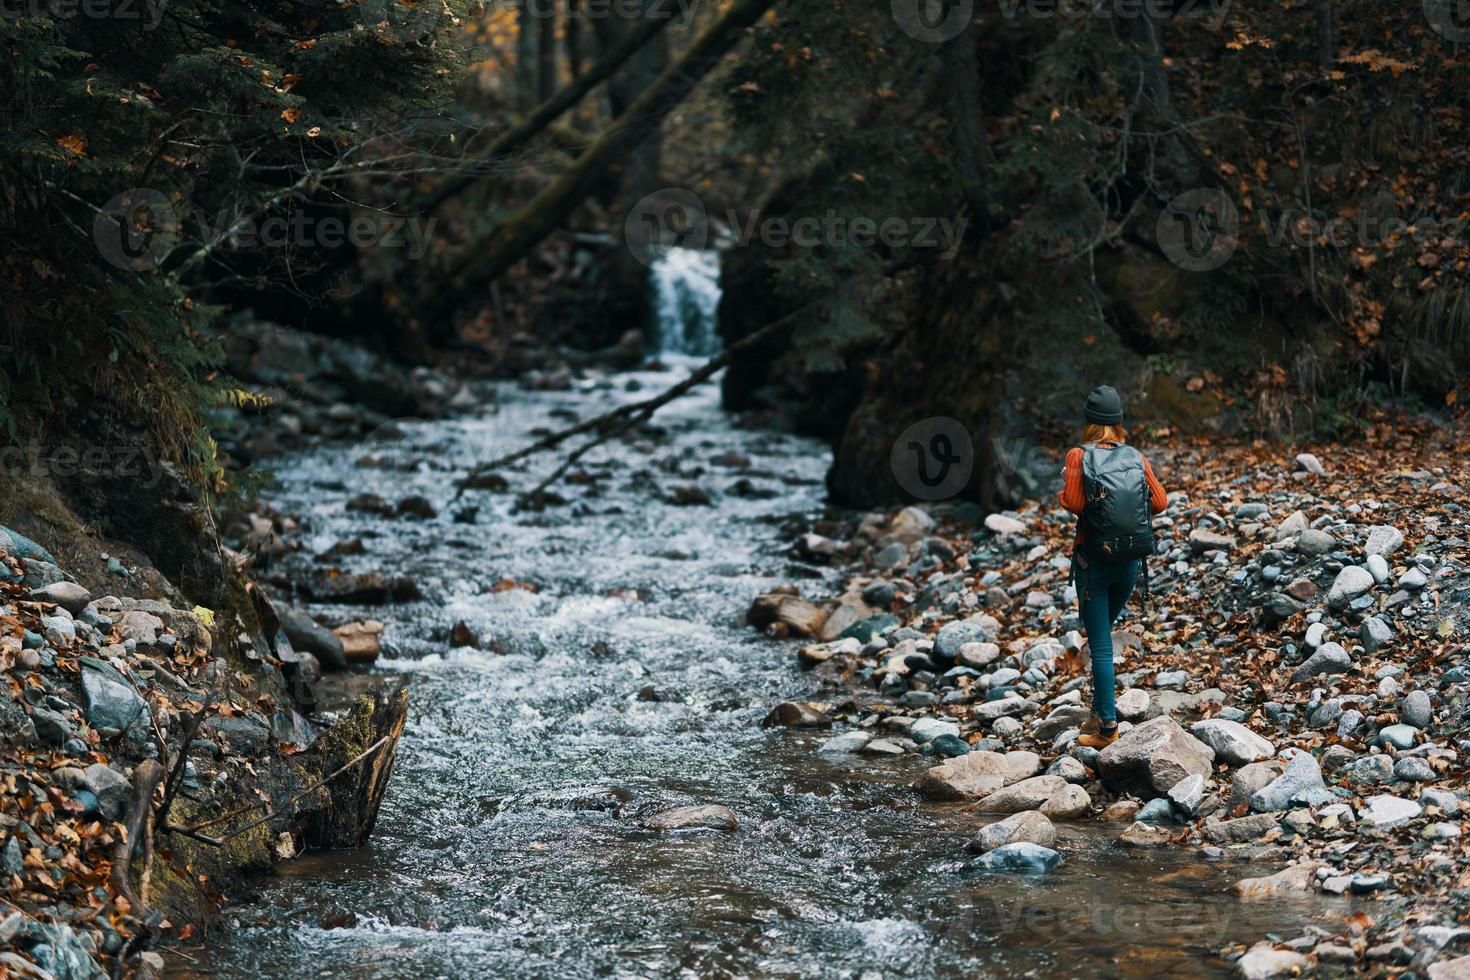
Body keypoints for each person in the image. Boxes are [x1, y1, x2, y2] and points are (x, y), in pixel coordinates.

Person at [1058, 385, 1168, 749]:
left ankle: (1107, 728)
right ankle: (1098, 709)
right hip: (1130, 565)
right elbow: (1160, 502)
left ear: (1090, 422)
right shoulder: (1135, 456)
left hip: (1094, 566)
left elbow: (1073, 503)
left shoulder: (1079, 456)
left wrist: (1065, 487)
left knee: (1101, 646)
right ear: (1118, 421)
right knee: (1101, 637)